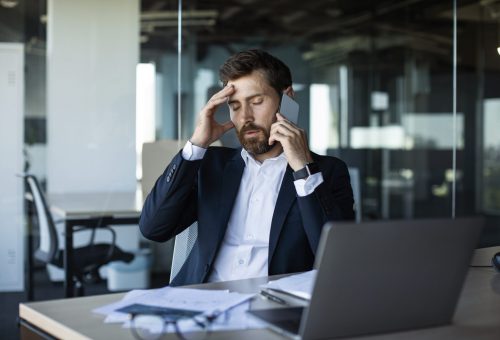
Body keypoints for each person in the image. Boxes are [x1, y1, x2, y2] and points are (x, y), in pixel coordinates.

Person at [139, 49, 355, 286]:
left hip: (274, 306)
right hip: (200, 300)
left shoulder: (327, 171)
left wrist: (303, 168)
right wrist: (197, 145)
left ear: (288, 99)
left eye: (256, 101)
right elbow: (153, 228)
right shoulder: (212, 164)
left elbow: (338, 258)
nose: (245, 117)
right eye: (235, 106)